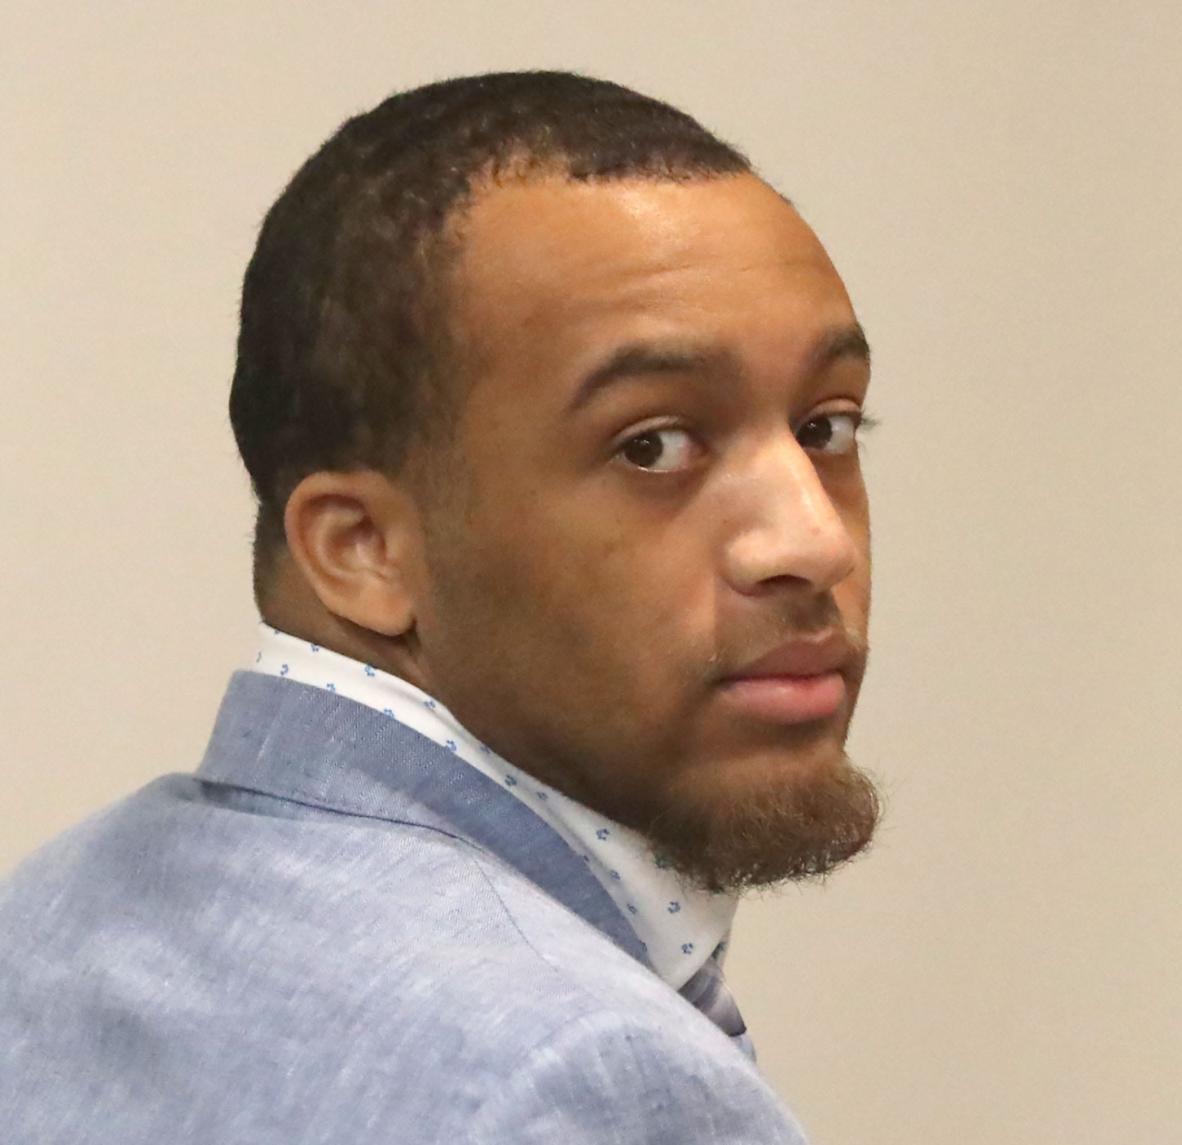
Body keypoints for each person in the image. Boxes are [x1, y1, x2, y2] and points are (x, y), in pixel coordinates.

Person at [0, 70, 881, 1143]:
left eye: (826, 427)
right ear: (364, 549)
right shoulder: (579, 1078)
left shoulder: (46, 916)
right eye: (652, 444)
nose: (811, 539)